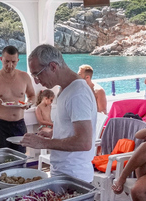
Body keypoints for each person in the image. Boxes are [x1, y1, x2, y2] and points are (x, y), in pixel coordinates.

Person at [21, 44, 97, 183]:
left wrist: (43, 143)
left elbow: (84, 142)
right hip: (64, 173)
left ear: (53, 66)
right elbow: (72, 130)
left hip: (73, 176)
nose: (36, 80)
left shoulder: (77, 94)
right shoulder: (66, 89)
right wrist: (54, 134)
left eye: (37, 74)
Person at [0, 45, 35, 153]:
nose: (10, 65)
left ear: (18, 60)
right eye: (7, 61)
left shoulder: (24, 77)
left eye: (13, 62)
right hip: (0, 126)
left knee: (20, 159)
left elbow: (32, 96)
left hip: (19, 124)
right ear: (1, 59)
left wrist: (29, 103)